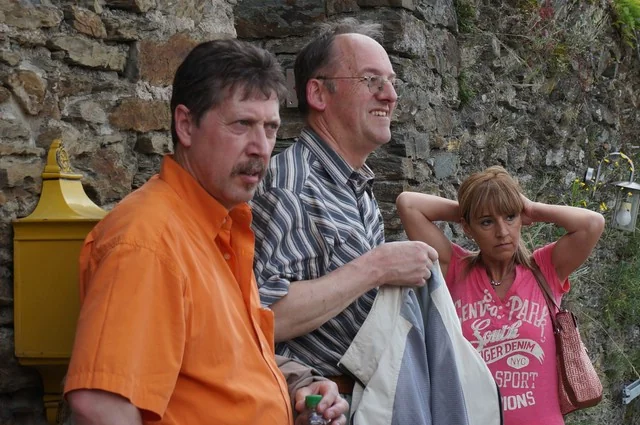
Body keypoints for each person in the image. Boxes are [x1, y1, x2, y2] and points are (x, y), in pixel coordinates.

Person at [63, 39, 348, 425]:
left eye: (270, 128)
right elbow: (100, 405)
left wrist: (298, 386)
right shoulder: (148, 241)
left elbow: (219, 361)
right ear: (185, 125)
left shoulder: (221, 226)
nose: (261, 147)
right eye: (242, 124)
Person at [250, 18, 437, 392]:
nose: (389, 95)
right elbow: (264, 317)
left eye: (391, 82)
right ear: (318, 94)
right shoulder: (293, 185)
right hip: (308, 406)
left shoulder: (356, 185)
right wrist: (378, 266)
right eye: (371, 81)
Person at [396, 166, 605, 425]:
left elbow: (592, 224)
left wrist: (531, 209)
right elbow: (408, 204)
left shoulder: (546, 269)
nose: (502, 232)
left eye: (510, 217)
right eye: (486, 222)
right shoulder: (455, 268)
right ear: (467, 227)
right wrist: (475, 206)